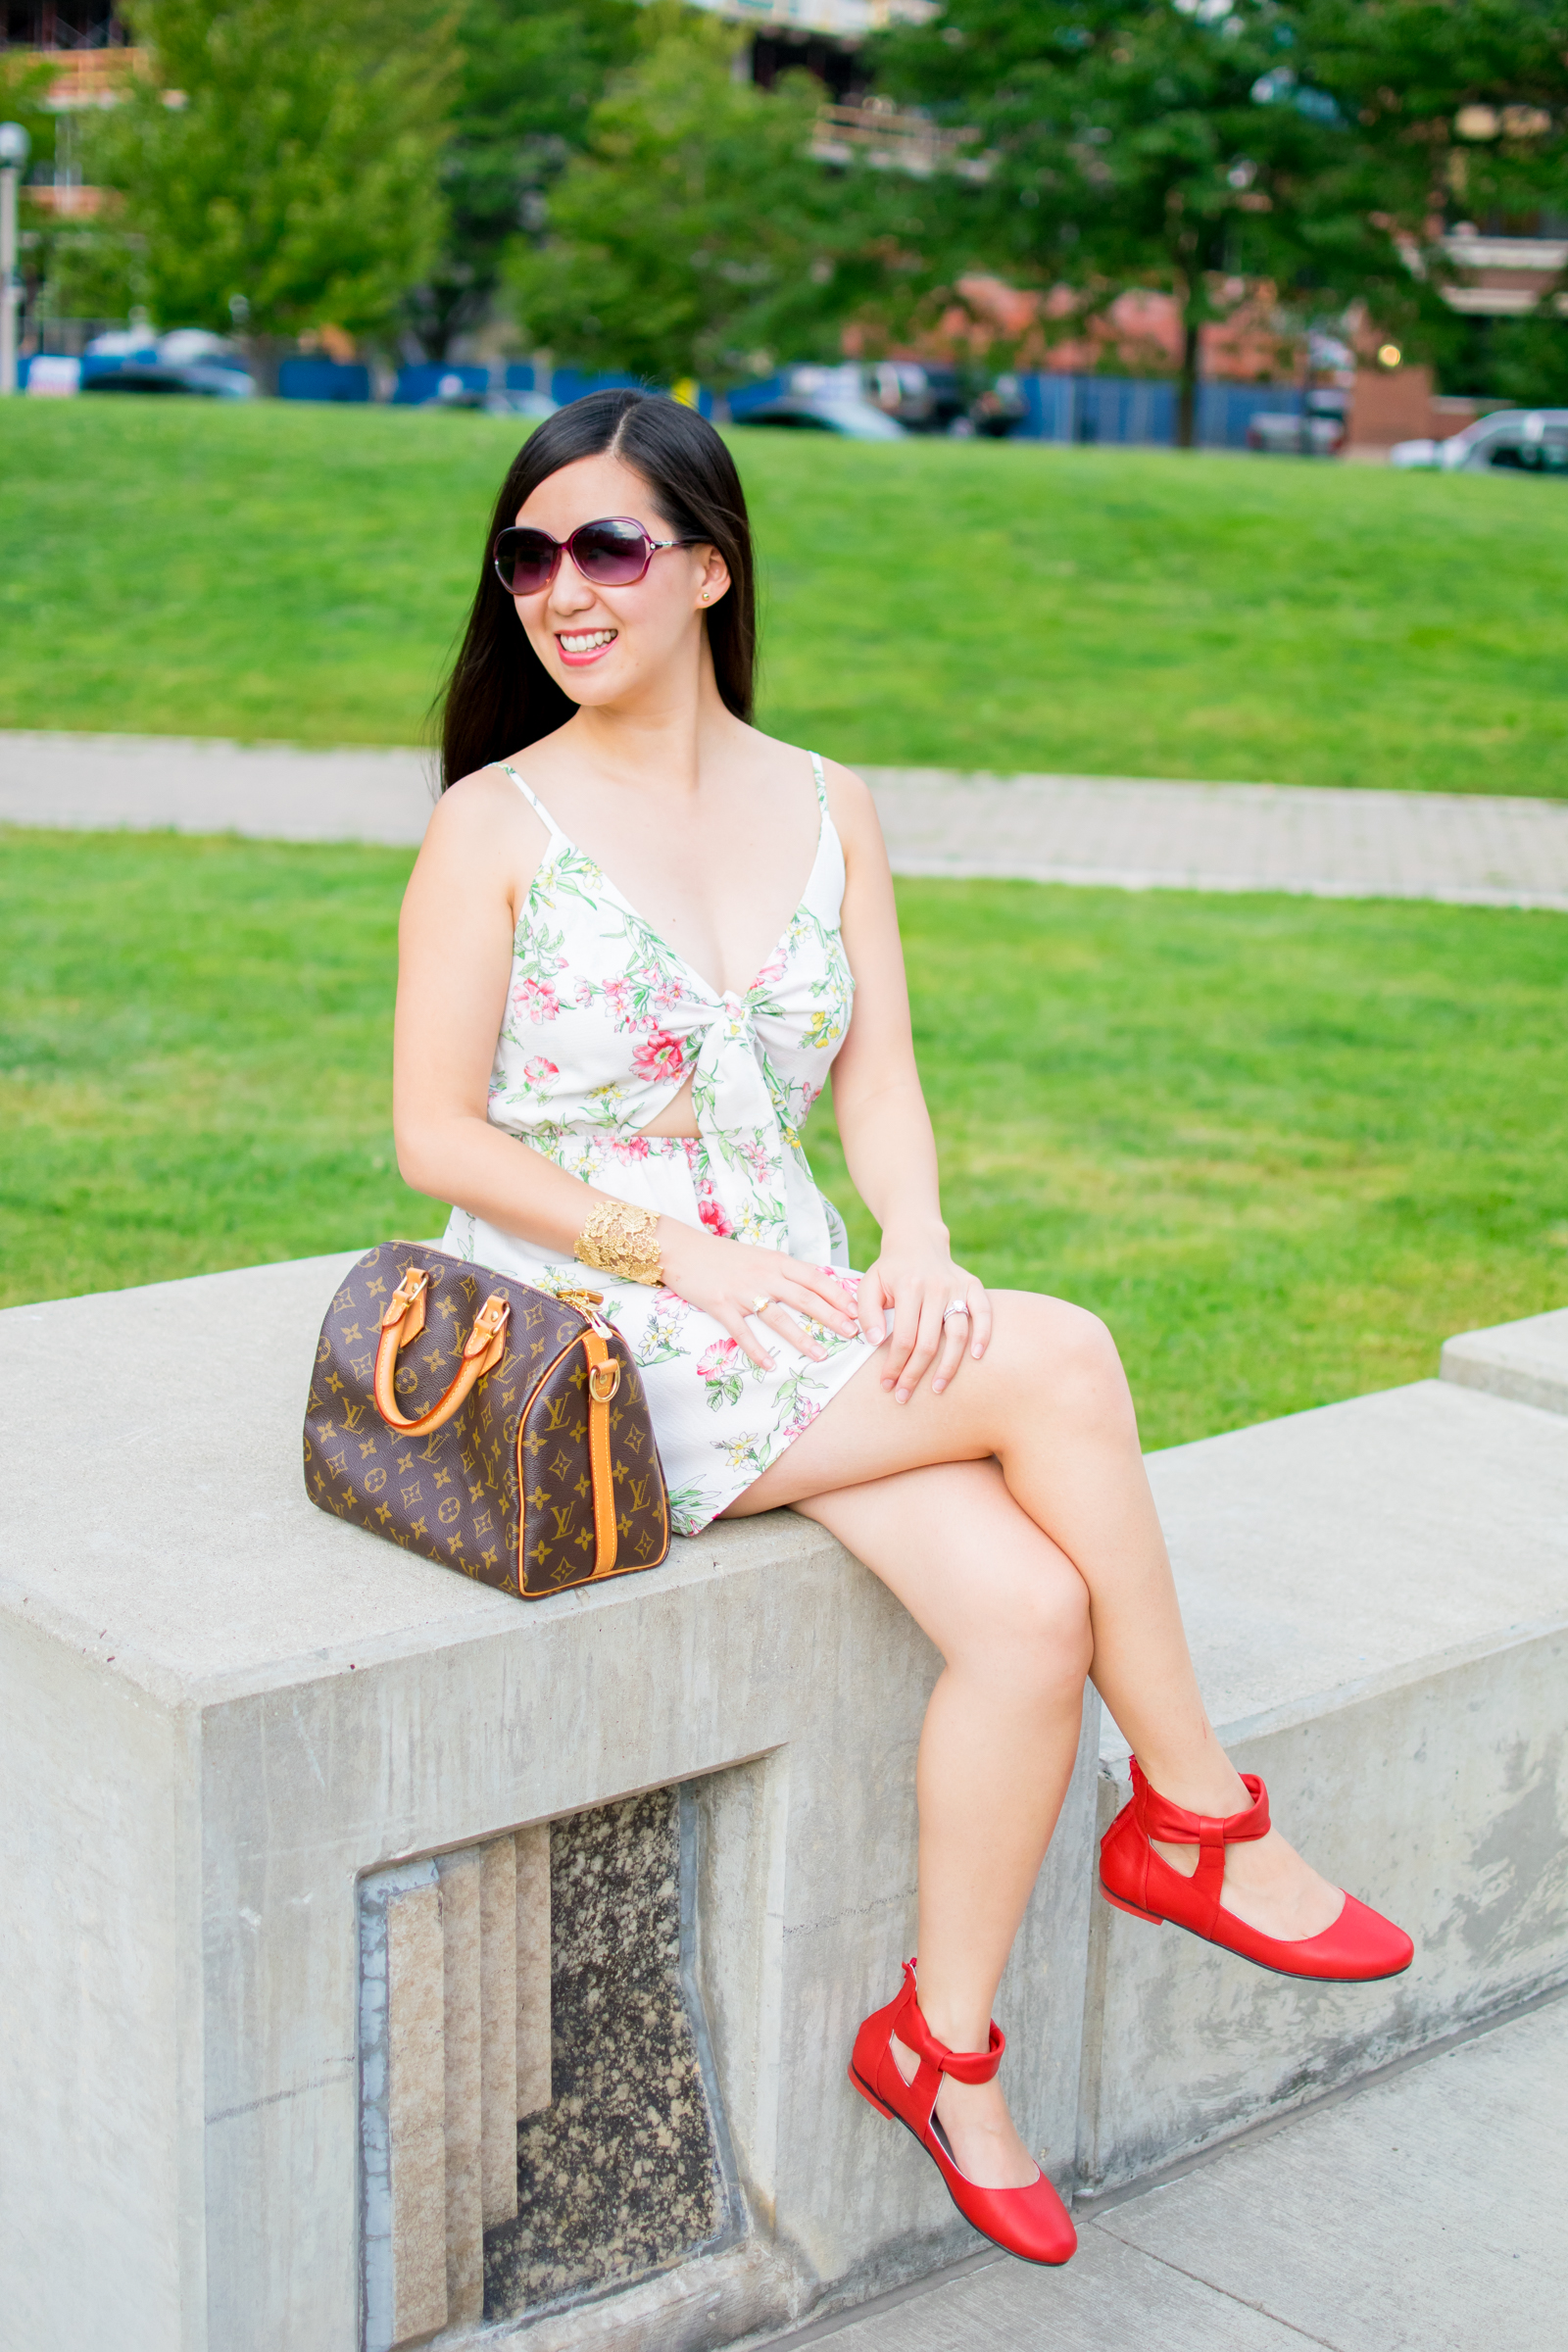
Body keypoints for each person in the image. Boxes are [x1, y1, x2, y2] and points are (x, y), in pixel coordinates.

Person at [393, 389, 1412, 2269]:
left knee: (1029, 1619)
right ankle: (1198, 1811)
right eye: (528, 555)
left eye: (606, 547)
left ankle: (941, 2046)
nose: (561, 589)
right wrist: (675, 1257)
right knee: (1067, 1357)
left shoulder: (825, 799)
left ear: (709, 564)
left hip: (792, 1298)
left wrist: (921, 1237)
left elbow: (878, 1077)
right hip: (600, 1324)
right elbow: (433, 1133)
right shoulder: (495, 821)